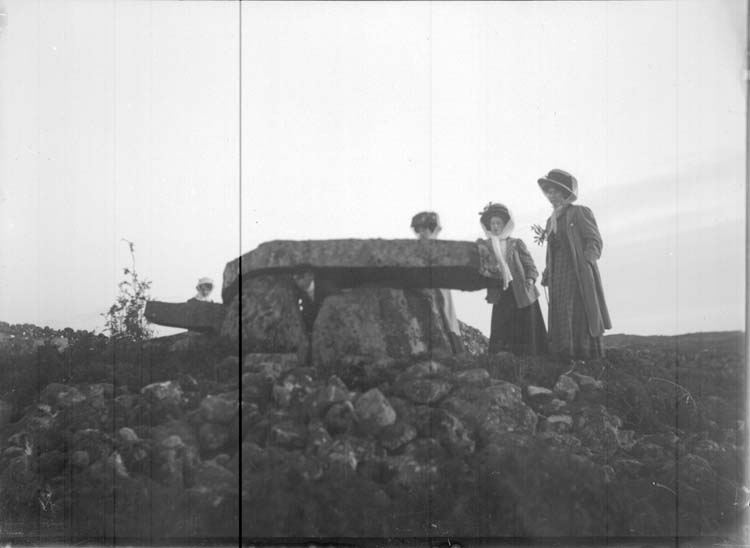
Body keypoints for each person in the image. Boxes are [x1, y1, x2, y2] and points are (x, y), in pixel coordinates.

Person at [537, 169, 611, 359]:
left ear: (564, 193)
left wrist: (587, 260)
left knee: (579, 308)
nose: (551, 196)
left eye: (555, 191)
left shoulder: (579, 212)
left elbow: (594, 240)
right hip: (558, 273)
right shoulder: (550, 221)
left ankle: (585, 355)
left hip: (577, 270)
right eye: (549, 192)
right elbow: (552, 250)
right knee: (561, 309)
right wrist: (547, 271)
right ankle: (564, 354)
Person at [478, 202, 548, 355]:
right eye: (492, 223)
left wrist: (530, 279)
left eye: (498, 223)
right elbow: (481, 266)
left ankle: (531, 358)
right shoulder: (486, 245)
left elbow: (530, 265)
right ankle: (503, 358)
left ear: (505, 225)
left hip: (521, 289)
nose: (495, 226)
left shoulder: (516, 243)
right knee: (502, 322)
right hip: (500, 290)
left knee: (526, 323)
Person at [410, 211, 464, 354]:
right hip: (426, 295)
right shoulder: (415, 250)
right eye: (418, 230)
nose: (421, 233)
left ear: (433, 229)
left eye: (425, 229)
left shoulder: (441, 249)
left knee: (447, 320)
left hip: (441, 292)